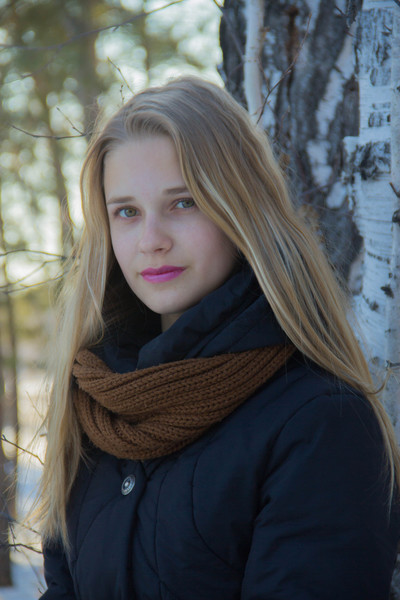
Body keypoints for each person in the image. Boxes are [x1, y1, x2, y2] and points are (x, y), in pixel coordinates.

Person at [36, 76, 400, 599]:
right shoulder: (94, 405)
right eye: (127, 212)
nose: (151, 240)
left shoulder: (320, 421)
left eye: (183, 202)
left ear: (240, 209)